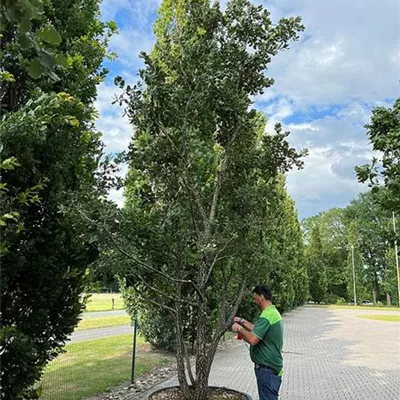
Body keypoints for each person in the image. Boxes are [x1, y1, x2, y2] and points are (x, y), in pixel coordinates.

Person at [232, 285, 283, 400]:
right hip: (271, 367)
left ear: (261, 297)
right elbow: (258, 329)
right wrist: (242, 321)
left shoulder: (267, 315)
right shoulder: (272, 312)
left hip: (267, 369)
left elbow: (253, 339)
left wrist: (239, 329)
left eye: (255, 298)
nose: (254, 302)